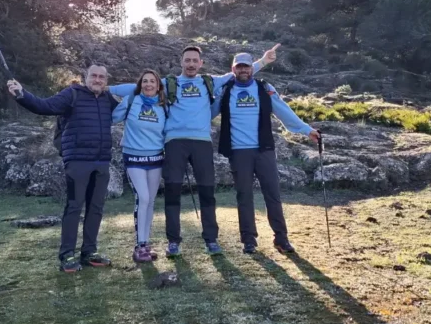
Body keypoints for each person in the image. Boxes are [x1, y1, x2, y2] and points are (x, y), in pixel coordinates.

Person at [108, 45, 279, 257]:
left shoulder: (210, 82)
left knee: (207, 192)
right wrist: (107, 89)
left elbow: (240, 71)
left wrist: (263, 61)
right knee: (172, 193)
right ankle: (173, 241)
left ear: (201, 63)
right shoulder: (169, 83)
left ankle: (211, 239)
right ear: (181, 62)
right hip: (174, 142)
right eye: (187, 60)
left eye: (194, 60)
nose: (190, 64)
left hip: (201, 143)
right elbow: (135, 88)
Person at [7, 65, 119, 273]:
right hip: (77, 161)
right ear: (85, 77)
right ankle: (67, 255)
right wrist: (22, 95)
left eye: (101, 77)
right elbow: (44, 106)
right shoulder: (72, 94)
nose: (97, 80)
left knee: (95, 208)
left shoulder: (108, 99)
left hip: (102, 161)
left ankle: (89, 252)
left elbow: (131, 105)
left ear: (106, 80)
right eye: (93, 76)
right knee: (74, 207)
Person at [212, 52, 321, 255]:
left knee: (273, 194)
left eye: (246, 66)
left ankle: (281, 239)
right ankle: (249, 241)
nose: (243, 70)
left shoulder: (264, 88)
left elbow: (284, 111)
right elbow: (205, 113)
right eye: (239, 66)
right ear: (233, 69)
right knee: (244, 196)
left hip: (264, 150)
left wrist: (307, 130)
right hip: (238, 152)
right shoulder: (225, 91)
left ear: (252, 68)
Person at [111, 69, 169, 263]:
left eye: (152, 81)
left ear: (158, 85)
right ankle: (139, 245)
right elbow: (112, 117)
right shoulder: (131, 100)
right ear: (140, 84)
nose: (148, 85)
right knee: (142, 198)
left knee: (150, 201)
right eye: (145, 81)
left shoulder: (164, 106)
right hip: (133, 157)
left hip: (156, 158)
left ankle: (145, 244)